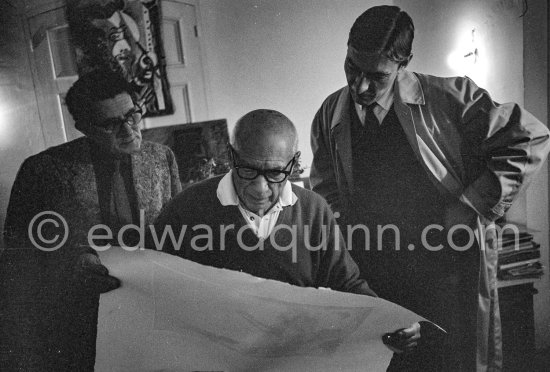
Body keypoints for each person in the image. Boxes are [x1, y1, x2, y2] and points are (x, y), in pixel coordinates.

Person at [310, 5, 550, 372]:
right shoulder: (330, 111)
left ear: (404, 62)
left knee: (446, 359)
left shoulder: (449, 98)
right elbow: (325, 184)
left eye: (377, 76)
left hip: (443, 264)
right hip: (372, 265)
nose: (359, 86)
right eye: (352, 68)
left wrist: (470, 205)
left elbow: (530, 138)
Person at [152, 108, 420, 356]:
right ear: (231, 156)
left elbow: (346, 284)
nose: (260, 188)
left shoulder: (313, 209)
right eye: (247, 170)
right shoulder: (186, 209)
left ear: (293, 164)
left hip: (294, 358)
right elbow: (151, 285)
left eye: (275, 173)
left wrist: (390, 320)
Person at [1, 69, 181, 371]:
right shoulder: (41, 171)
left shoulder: (162, 157)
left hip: (151, 306)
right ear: (83, 127)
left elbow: (178, 228)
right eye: (111, 124)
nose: (129, 131)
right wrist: (72, 264)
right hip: (82, 316)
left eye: (132, 115)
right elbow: (19, 256)